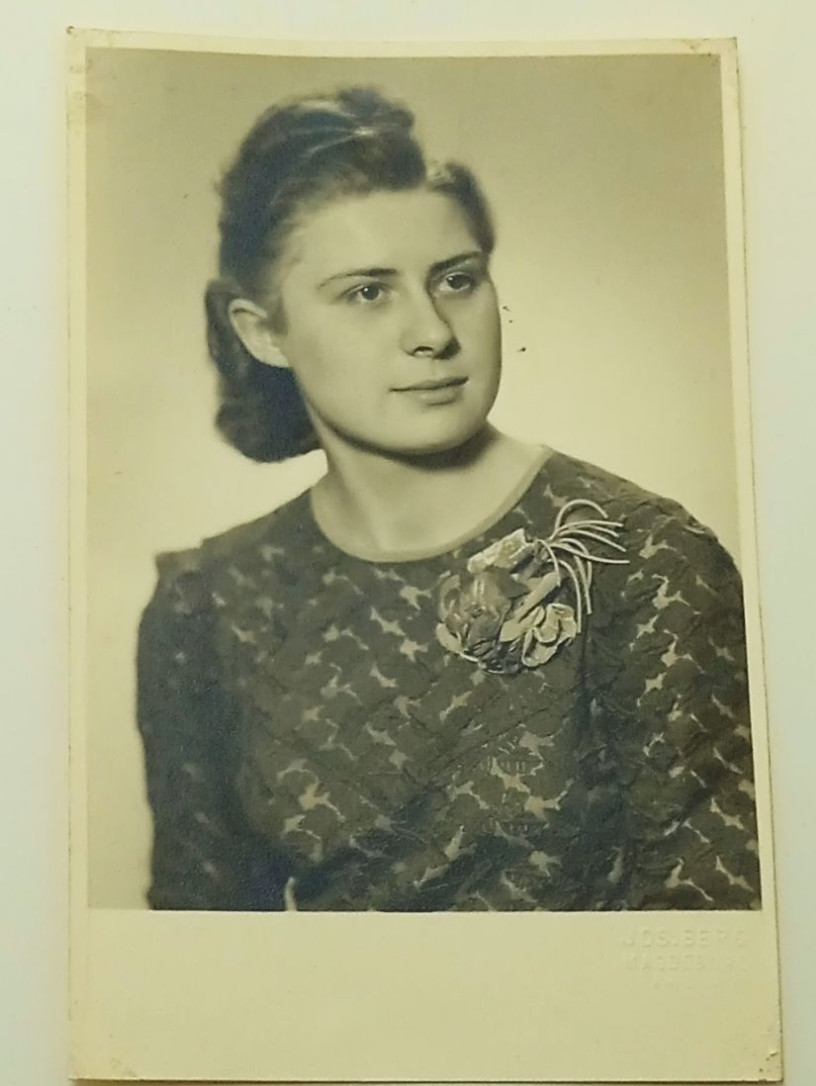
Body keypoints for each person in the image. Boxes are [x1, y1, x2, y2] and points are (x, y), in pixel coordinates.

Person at [137, 87, 761, 912]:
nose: (431, 330)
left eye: (456, 279)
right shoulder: (209, 606)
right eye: (368, 291)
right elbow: (198, 958)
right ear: (264, 332)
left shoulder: (644, 560)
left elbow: (714, 950)